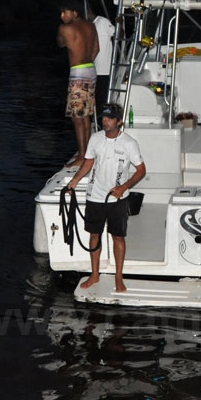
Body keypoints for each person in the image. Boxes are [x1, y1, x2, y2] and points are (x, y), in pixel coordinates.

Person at [62, 102, 146, 293]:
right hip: (95, 196)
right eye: (103, 118)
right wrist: (74, 181)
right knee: (94, 235)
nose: (105, 121)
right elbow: (88, 162)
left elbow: (141, 170)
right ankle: (94, 274)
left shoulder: (129, 143)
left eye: (109, 118)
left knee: (118, 236)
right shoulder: (95, 139)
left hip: (118, 198)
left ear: (119, 121)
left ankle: (118, 277)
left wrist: (123, 187)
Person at [57, 2, 100, 168]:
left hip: (78, 73)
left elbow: (60, 44)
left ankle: (82, 156)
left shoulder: (64, 29)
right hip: (91, 69)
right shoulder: (91, 27)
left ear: (75, 12)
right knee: (85, 115)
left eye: (64, 12)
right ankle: (87, 153)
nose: (62, 16)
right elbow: (96, 50)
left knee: (77, 117)